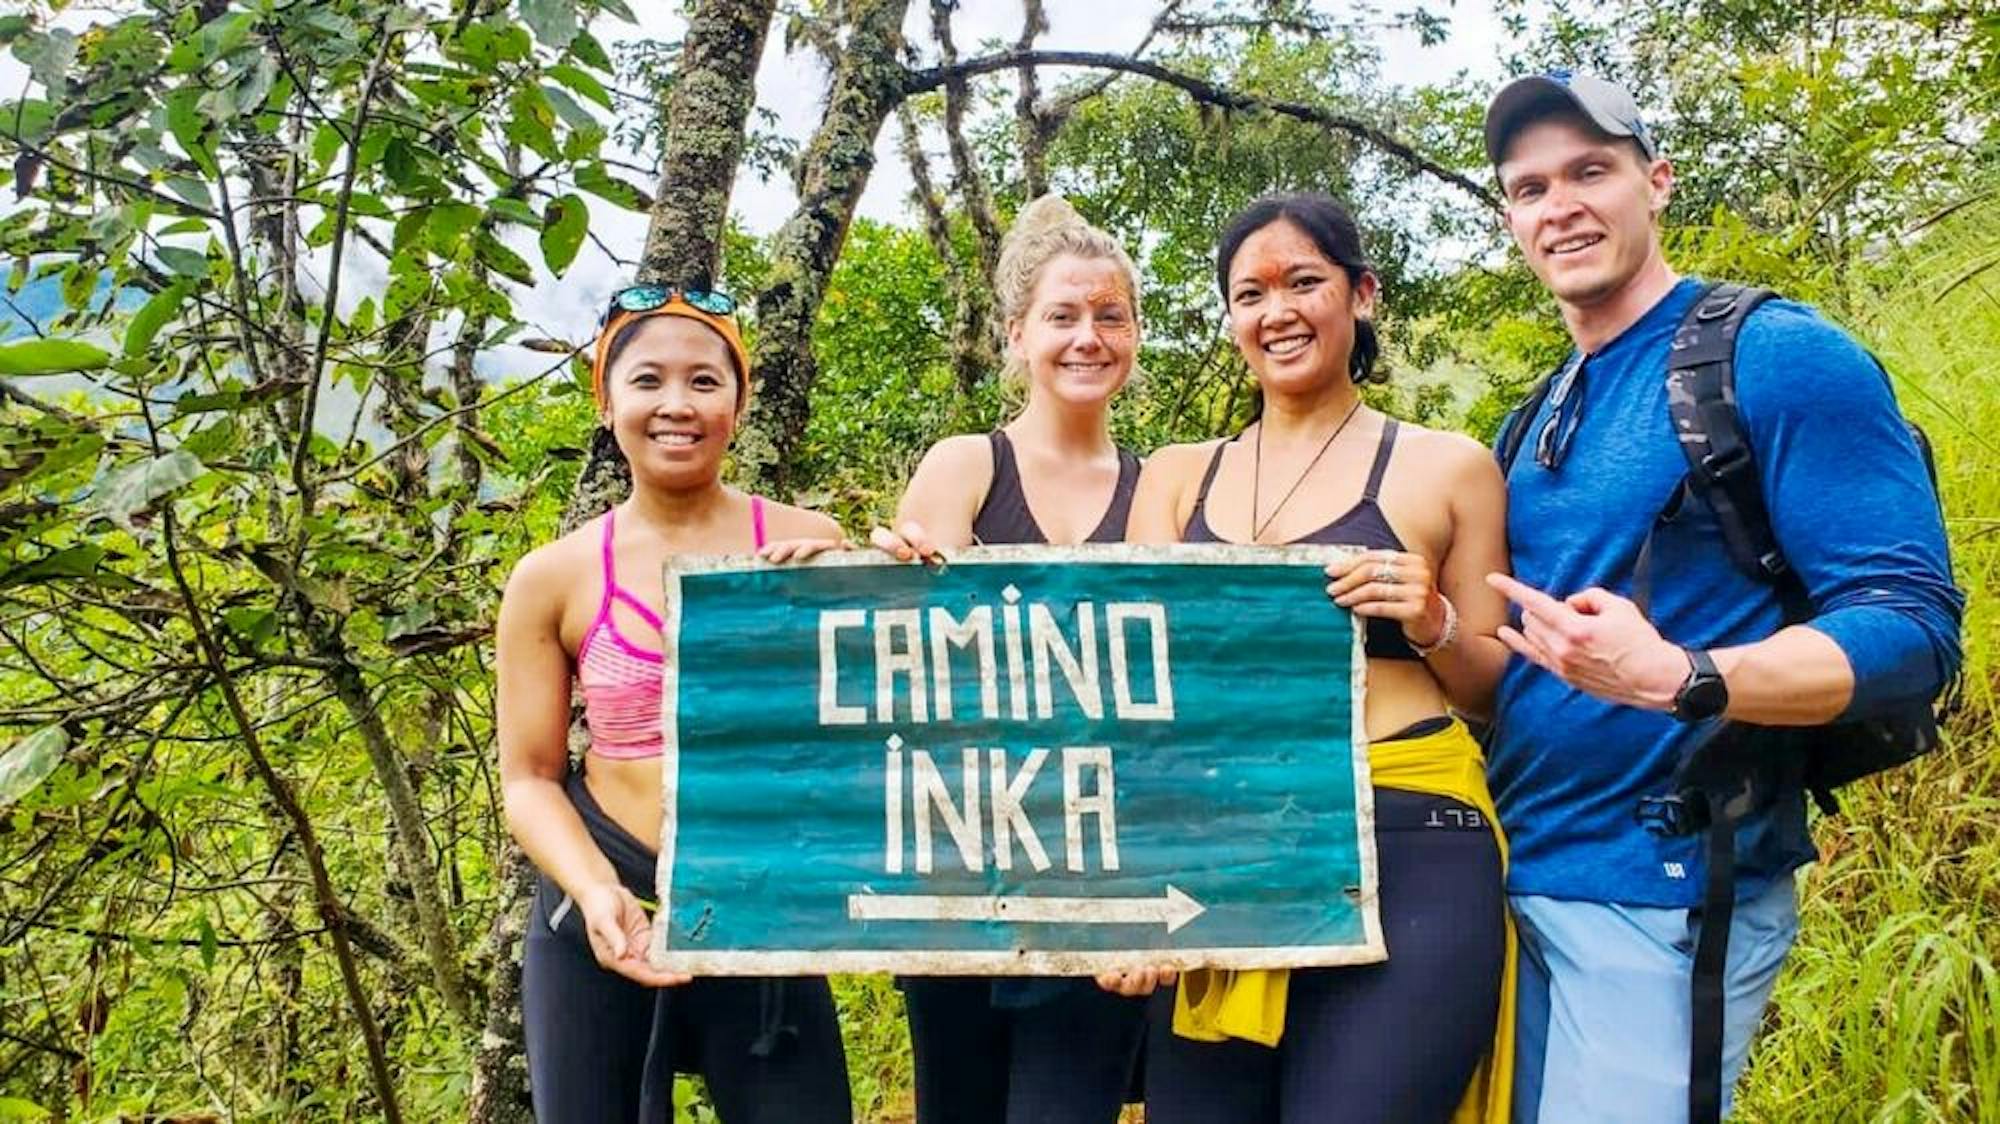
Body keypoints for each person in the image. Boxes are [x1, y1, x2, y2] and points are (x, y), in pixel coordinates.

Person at [1479, 72, 1963, 1122]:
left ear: (1654, 182)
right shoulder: (1531, 420)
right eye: (1528, 187)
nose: (1558, 204)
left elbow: (1912, 626)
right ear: (1509, 218)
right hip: (1514, 880)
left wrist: (1685, 675)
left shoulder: (1773, 355)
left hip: (1668, 891)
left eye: (1588, 171)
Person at [1126, 191, 1515, 1123]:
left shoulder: (1446, 467)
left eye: (1305, 282)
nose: (1278, 312)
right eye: (1250, 293)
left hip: (1410, 831)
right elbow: (1130, 696)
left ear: (1361, 295)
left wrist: (1430, 619)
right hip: (1226, 849)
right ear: (1229, 320)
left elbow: (1493, 691)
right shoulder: (1176, 477)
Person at [494, 283, 853, 1123]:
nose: (675, 405)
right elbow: (529, 779)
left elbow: (858, 747)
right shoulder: (552, 577)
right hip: (601, 905)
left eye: (704, 381)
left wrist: (843, 598)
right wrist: (590, 891)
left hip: (761, 909)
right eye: (648, 381)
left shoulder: (811, 543)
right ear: (607, 398)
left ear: (739, 399)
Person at [868, 194, 1150, 1124]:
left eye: (1110, 316)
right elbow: (912, 675)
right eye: (1063, 316)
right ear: (1019, 335)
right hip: (961, 881)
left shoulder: (1164, 489)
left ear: (1135, 333)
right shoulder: (966, 466)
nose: (1088, 337)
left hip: (1102, 880)